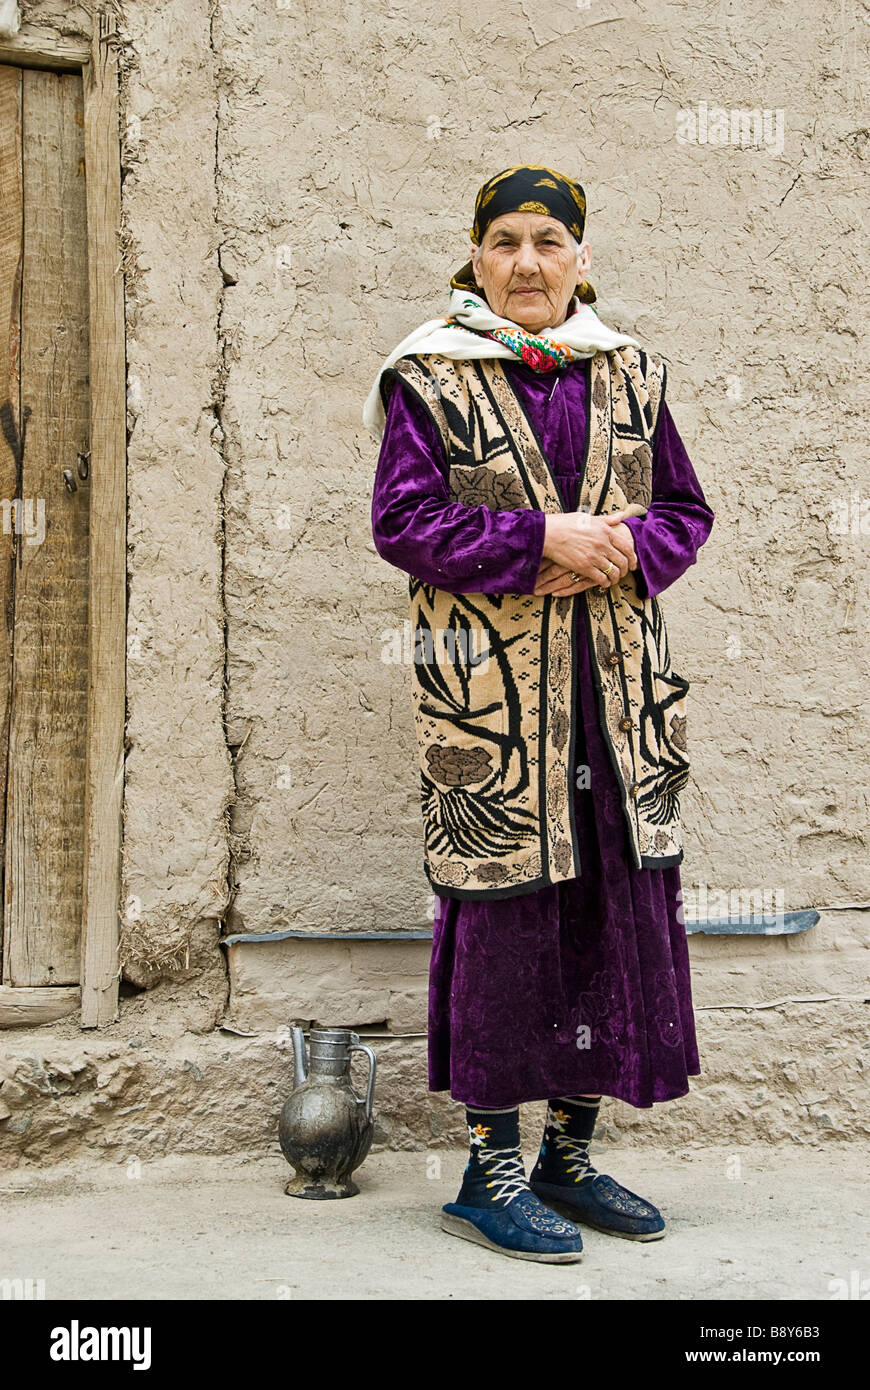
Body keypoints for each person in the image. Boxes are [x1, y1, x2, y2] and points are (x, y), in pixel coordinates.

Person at [364, 165, 714, 1264]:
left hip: (618, 711)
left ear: (582, 258)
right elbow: (404, 521)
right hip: (496, 719)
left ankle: (568, 1153)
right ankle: (490, 1172)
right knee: (506, 925)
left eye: (548, 242)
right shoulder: (431, 374)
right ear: (474, 254)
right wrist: (536, 542)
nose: (526, 262)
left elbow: (684, 511)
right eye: (504, 241)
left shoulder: (631, 371)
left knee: (608, 917)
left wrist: (614, 549)